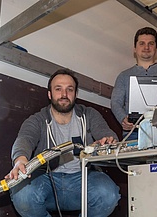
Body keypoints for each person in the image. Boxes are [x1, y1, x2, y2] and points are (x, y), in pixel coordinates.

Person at [7, 69, 121, 217]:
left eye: (70, 89)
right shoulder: (38, 119)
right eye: (58, 89)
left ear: (75, 94)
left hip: (84, 177)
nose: (64, 95)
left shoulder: (89, 114)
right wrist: (20, 161)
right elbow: (24, 139)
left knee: (109, 194)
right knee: (22, 194)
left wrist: (107, 141)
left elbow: (106, 134)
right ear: (50, 94)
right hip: (47, 179)